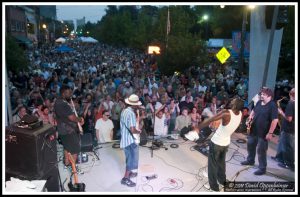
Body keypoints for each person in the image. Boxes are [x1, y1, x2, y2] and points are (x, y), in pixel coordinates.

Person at [198, 98, 244, 191]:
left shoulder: (226, 113)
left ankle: (213, 187)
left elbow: (211, 119)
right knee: (221, 163)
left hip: (217, 142)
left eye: (233, 101)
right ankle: (222, 181)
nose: (231, 101)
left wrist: (198, 127)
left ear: (235, 105)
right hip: (226, 142)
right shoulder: (240, 114)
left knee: (213, 164)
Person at [241, 87, 278, 175]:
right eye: (261, 94)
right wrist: (250, 118)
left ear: (269, 96)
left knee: (261, 151)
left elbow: (275, 120)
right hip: (253, 130)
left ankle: (262, 168)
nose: (261, 95)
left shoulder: (272, 106)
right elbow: (253, 111)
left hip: (263, 133)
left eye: (263, 94)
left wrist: (270, 133)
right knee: (250, 145)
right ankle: (250, 160)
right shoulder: (258, 102)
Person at [54, 85, 84, 166]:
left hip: (63, 130)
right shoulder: (62, 104)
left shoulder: (58, 101)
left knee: (67, 147)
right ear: (63, 93)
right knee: (75, 149)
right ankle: (73, 169)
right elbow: (72, 118)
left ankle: (67, 164)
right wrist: (80, 119)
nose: (71, 95)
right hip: (68, 131)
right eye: (69, 93)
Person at [120, 94, 142, 187]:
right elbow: (133, 130)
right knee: (131, 160)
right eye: (137, 104)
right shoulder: (131, 114)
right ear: (134, 105)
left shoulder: (124, 111)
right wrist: (139, 131)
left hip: (125, 139)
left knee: (129, 158)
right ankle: (125, 179)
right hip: (130, 141)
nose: (138, 105)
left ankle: (129, 174)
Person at [277, 88, 295, 171]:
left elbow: (289, 119)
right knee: (282, 143)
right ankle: (279, 158)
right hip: (290, 128)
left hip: (289, 128)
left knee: (288, 147)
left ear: (290, 94)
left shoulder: (291, 103)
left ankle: (289, 164)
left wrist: (281, 112)